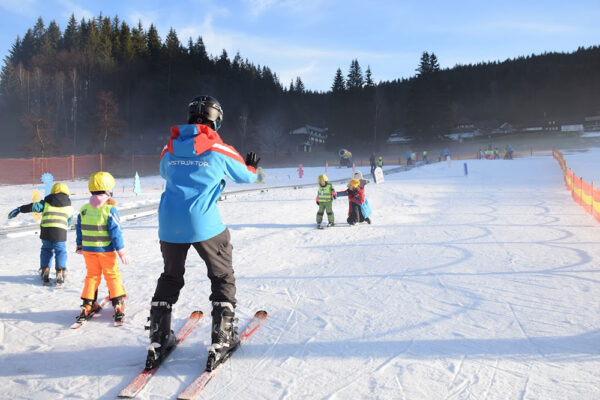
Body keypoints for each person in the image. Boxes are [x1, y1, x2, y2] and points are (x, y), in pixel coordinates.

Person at [146, 95, 259, 372]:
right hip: (204, 224)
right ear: (216, 119)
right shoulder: (218, 146)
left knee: (170, 276)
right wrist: (253, 166)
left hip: (169, 222)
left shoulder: (170, 146)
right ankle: (222, 338)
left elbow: (163, 171)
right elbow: (246, 176)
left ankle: (158, 339)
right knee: (221, 275)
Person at [76, 171, 129, 324]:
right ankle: (118, 303)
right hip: (106, 251)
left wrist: (80, 244)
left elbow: (79, 228)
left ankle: (87, 304)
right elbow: (115, 233)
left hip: (88, 250)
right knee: (112, 275)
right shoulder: (109, 210)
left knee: (92, 276)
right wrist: (121, 251)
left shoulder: (84, 209)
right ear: (108, 190)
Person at [7, 183, 74, 284]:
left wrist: (20, 209)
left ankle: (45, 270)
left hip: (46, 231)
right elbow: (69, 222)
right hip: (60, 232)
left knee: (46, 250)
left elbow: (34, 207)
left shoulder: (47, 202)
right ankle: (60, 271)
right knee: (60, 251)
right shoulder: (69, 206)